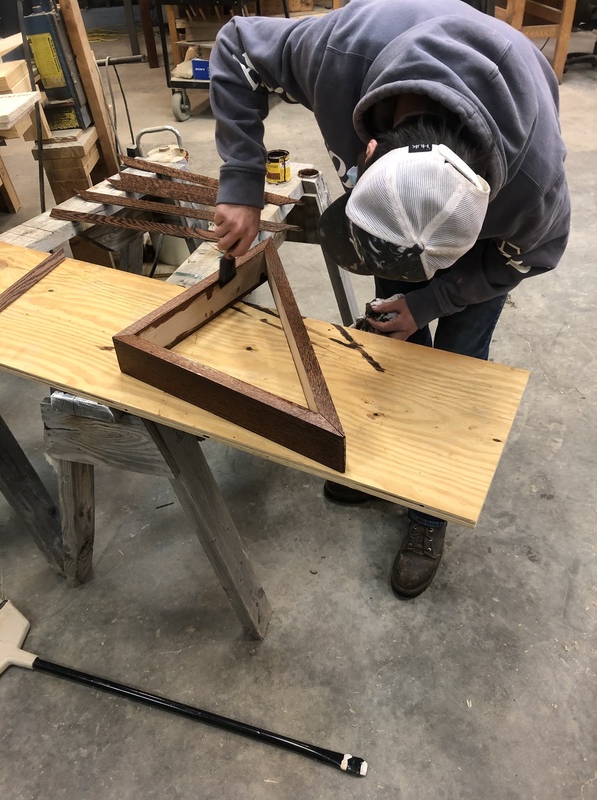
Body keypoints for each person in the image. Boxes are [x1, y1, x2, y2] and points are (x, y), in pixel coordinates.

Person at [208, 0, 570, 597]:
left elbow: (529, 255)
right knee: (390, 341)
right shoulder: (337, 54)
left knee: (456, 361)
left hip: (494, 201)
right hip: (382, 69)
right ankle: (386, 473)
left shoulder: (531, 188)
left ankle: (428, 507)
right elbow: (238, 46)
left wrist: (433, 302)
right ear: (369, 153)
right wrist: (241, 180)